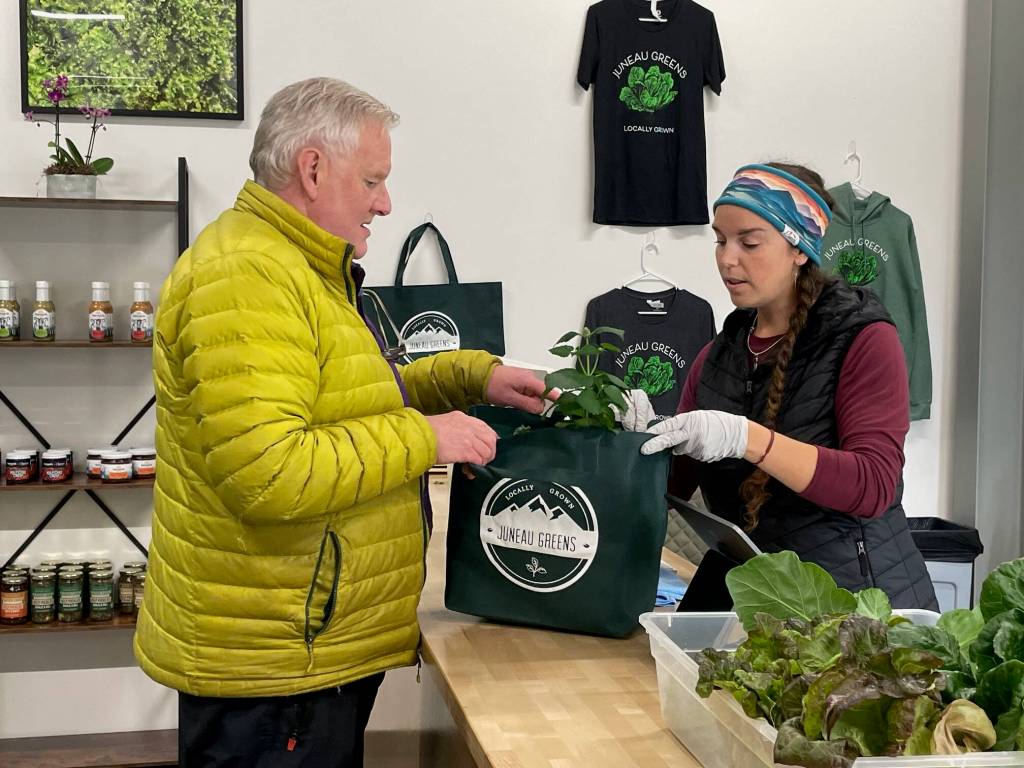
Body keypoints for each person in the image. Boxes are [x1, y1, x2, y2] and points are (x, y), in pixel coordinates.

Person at [133, 77, 549, 767]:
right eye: (372, 181)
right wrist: (426, 438)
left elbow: (349, 397)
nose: (385, 203)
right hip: (277, 669)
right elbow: (270, 471)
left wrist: (476, 376)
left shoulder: (296, 265)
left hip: (301, 652)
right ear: (313, 169)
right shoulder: (246, 277)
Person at [627, 162, 937, 609]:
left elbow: (873, 485)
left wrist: (747, 439)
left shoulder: (862, 339)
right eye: (720, 240)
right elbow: (672, 483)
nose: (727, 259)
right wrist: (631, 442)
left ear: (799, 249)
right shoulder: (717, 357)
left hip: (853, 606)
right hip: (756, 595)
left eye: (749, 242)